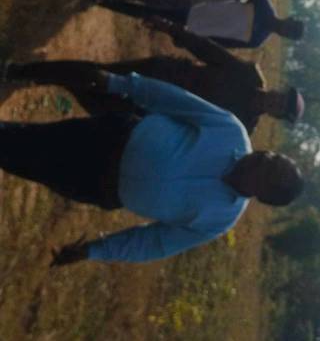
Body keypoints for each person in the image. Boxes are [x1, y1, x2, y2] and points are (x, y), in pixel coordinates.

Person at [0, 65, 304, 264]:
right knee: (30, 141)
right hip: (109, 138)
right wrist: (120, 83)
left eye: (269, 170)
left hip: (101, 187)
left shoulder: (221, 218)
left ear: (264, 195)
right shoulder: (231, 132)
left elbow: (155, 243)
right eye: (272, 156)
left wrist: (95, 250)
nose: (263, 157)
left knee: (25, 163)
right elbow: (176, 100)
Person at [4, 35, 305, 134]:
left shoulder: (242, 126)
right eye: (281, 98)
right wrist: (177, 32)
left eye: (279, 108)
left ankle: (50, 75)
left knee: (96, 104)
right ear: (279, 91)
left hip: (155, 110)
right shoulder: (249, 75)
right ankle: (22, 71)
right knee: (98, 75)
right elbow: (212, 53)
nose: (275, 102)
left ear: (275, 116)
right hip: (162, 73)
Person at [73, 0, 305, 49]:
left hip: (193, 24)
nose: (286, 29)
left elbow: (223, 43)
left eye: (289, 33)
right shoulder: (263, 4)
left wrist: (190, 38)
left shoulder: (257, 40)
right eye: (291, 27)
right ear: (290, 19)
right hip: (194, 1)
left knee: (142, 12)